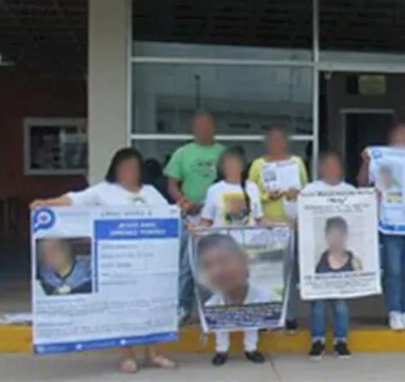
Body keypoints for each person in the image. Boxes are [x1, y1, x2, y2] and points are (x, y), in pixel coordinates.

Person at [30, 147, 176, 374]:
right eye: (124, 167)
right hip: (121, 264)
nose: (129, 172)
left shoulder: (151, 192)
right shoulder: (104, 191)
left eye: (133, 168)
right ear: (115, 169)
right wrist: (47, 203)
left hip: (150, 263)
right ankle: (127, 355)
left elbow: (169, 217)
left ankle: (153, 354)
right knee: (125, 309)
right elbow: (73, 200)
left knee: (150, 307)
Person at [197, 148, 266, 365]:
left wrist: (282, 230)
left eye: (236, 163)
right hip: (221, 251)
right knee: (222, 299)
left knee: (249, 299)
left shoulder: (252, 189)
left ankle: (251, 346)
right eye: (228, 163)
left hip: (247, 251)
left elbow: (261, 220)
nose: (232, 168)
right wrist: (197, 232)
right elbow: (207, 220)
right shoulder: (214, 190)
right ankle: (222, 348)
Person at [359, 121, 405, 331]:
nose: (402, 141)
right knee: (394, 270)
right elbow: (362, 183)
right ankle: (394, 311)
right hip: (392, 225)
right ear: (390, 140)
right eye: (398, 136)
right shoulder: (383, 161)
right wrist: (367, 162)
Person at [247, 124, 309, 331]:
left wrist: (295, 195)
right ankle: (267, 314)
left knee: (289, 273)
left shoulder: (296, 162)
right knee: (265, 272)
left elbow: (305, 190)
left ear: (286, 142)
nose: (276, 144)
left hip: (291, 225)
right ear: (267, 142)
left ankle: (289, 314)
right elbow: (250, 193)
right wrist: (267, 196)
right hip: (266, 226)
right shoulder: (258, 165)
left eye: (280, 139)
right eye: (272, 140)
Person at [165, 110, 225, 321]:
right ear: (193, 128)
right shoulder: (182, 153)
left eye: (207, 125)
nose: (203, 129)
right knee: (186, 266)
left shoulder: (223, 153)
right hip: (190, 219)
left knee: (216, 265)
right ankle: (182, 308)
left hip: (217, 220)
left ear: (213, 127)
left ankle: (213, 310)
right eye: (199, 126)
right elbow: (172, 184)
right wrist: (183, 201)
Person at [303, 151, 358, 359]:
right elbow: (297, 214)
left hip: (343, 260)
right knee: (318, 302)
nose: (331, 169)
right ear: (320, 168)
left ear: (342, 169)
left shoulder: (351, 191)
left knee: (341, 303)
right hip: (319, 258)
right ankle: (317, 340)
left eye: (335, 165)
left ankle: (340, 341)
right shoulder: (310, 190)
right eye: (327, 165)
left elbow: (364, 214)